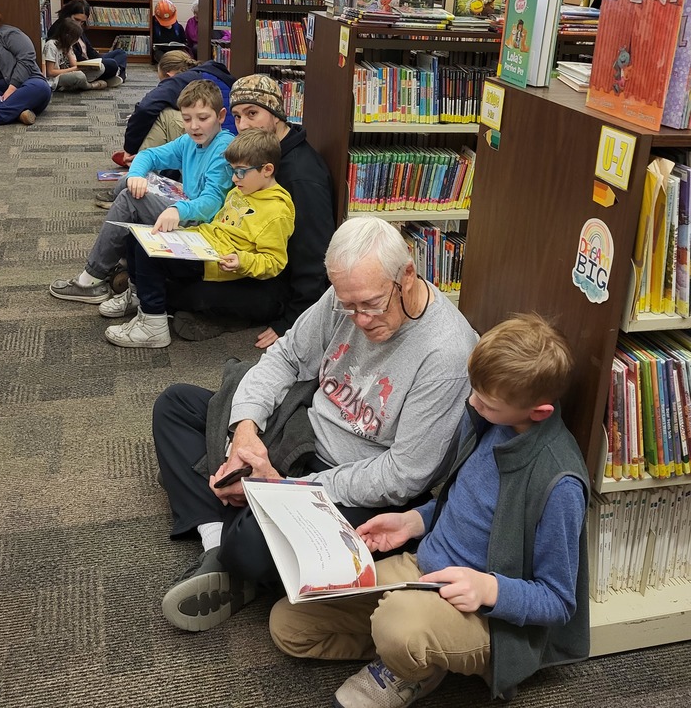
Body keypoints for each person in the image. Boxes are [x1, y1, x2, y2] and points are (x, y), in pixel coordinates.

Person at [153, 216, 477, 633]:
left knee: (250, 546)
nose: (359, 319)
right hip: (300, 432)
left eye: (371, 305)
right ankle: (218, 541)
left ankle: (235, 540)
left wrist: (287, 491)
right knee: (174, 405)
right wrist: (245, 432)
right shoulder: (346, 296)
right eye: (348, 305)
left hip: (353, 481)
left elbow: (404, 476)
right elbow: (287, 356)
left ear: (407, 276)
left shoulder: (446, 354)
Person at [269, 313, 590, 708]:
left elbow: (559, 601)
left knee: (396, 625)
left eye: (485, 404)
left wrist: (490, 589)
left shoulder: (560, 482)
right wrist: (414, 520)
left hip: (489, 617)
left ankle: (409, 668)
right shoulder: (500, 423)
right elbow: (471, 504)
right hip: (423, 568)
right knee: (289, 623)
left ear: (537, 412)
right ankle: (410, 649)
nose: (472, 404)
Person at [174, 74, 334, 348]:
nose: (243, 125)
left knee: (183, 292)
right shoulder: (259, 153)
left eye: (252, 113)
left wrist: (293, 321)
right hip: (240, 252)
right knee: (173, 265)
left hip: (273, 282)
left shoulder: (300, 177)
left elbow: (315, 254)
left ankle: (230, 318)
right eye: (236, 116)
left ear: (276, 115)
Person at [103, 128, 295, 349]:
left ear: (267, 170)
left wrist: (242, 260)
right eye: (232, 171)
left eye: (240, 172)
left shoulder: (277, 212)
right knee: (139, 238)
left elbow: (274, 262)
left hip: (217, 261)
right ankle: (141, 297)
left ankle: (153, 325)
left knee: (150, 257)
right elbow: (218, 225)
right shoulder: (242, 190)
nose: (234, 178)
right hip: (203, 243)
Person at [49, 80, 233, 304]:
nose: (194, 126)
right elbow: (149, 156)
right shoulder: (190, 141)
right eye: (186, 119)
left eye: (203, 118)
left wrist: (178, 209)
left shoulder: (223, 149)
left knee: (129, 199)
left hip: (204, 224)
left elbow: (212, 202)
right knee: (132, 183)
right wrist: (136, 175)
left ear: (221, 116)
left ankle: (91, 279)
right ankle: (123, 265)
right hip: (189, 208)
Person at [107, 50, 236, 173]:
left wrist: (130, 148)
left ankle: (141, 166)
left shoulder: (178, 81)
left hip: (215, 143)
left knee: (162, 113)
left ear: (169, 75)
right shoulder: (216, 73)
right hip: (235, 140)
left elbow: (145, 108)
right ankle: (146, 160)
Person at [47, 0, 126, 86]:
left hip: (90, 60)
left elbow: (89, 49)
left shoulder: (77, 27)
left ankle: (116, 73)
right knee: (111, 64)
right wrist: (92, 64)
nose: (79, 24)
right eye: (76, 19)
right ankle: (119, 74)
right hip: (81, 64)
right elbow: (74, 59)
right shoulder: (61, 30)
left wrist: (98, 60)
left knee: (120, 53)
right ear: (68, 14)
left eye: (82, 22)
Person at [42, 17, 107, 92]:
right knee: (79, 76)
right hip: (56, 79)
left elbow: (74, 64)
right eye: (75, 38)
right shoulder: (51, 45)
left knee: (101, 67)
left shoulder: (67, 45)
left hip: (70, 73)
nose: (76, 42)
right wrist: (74, 69)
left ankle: (75, 85)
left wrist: (87, 66)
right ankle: (89, 86)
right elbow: (50, 72)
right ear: (67, 36)